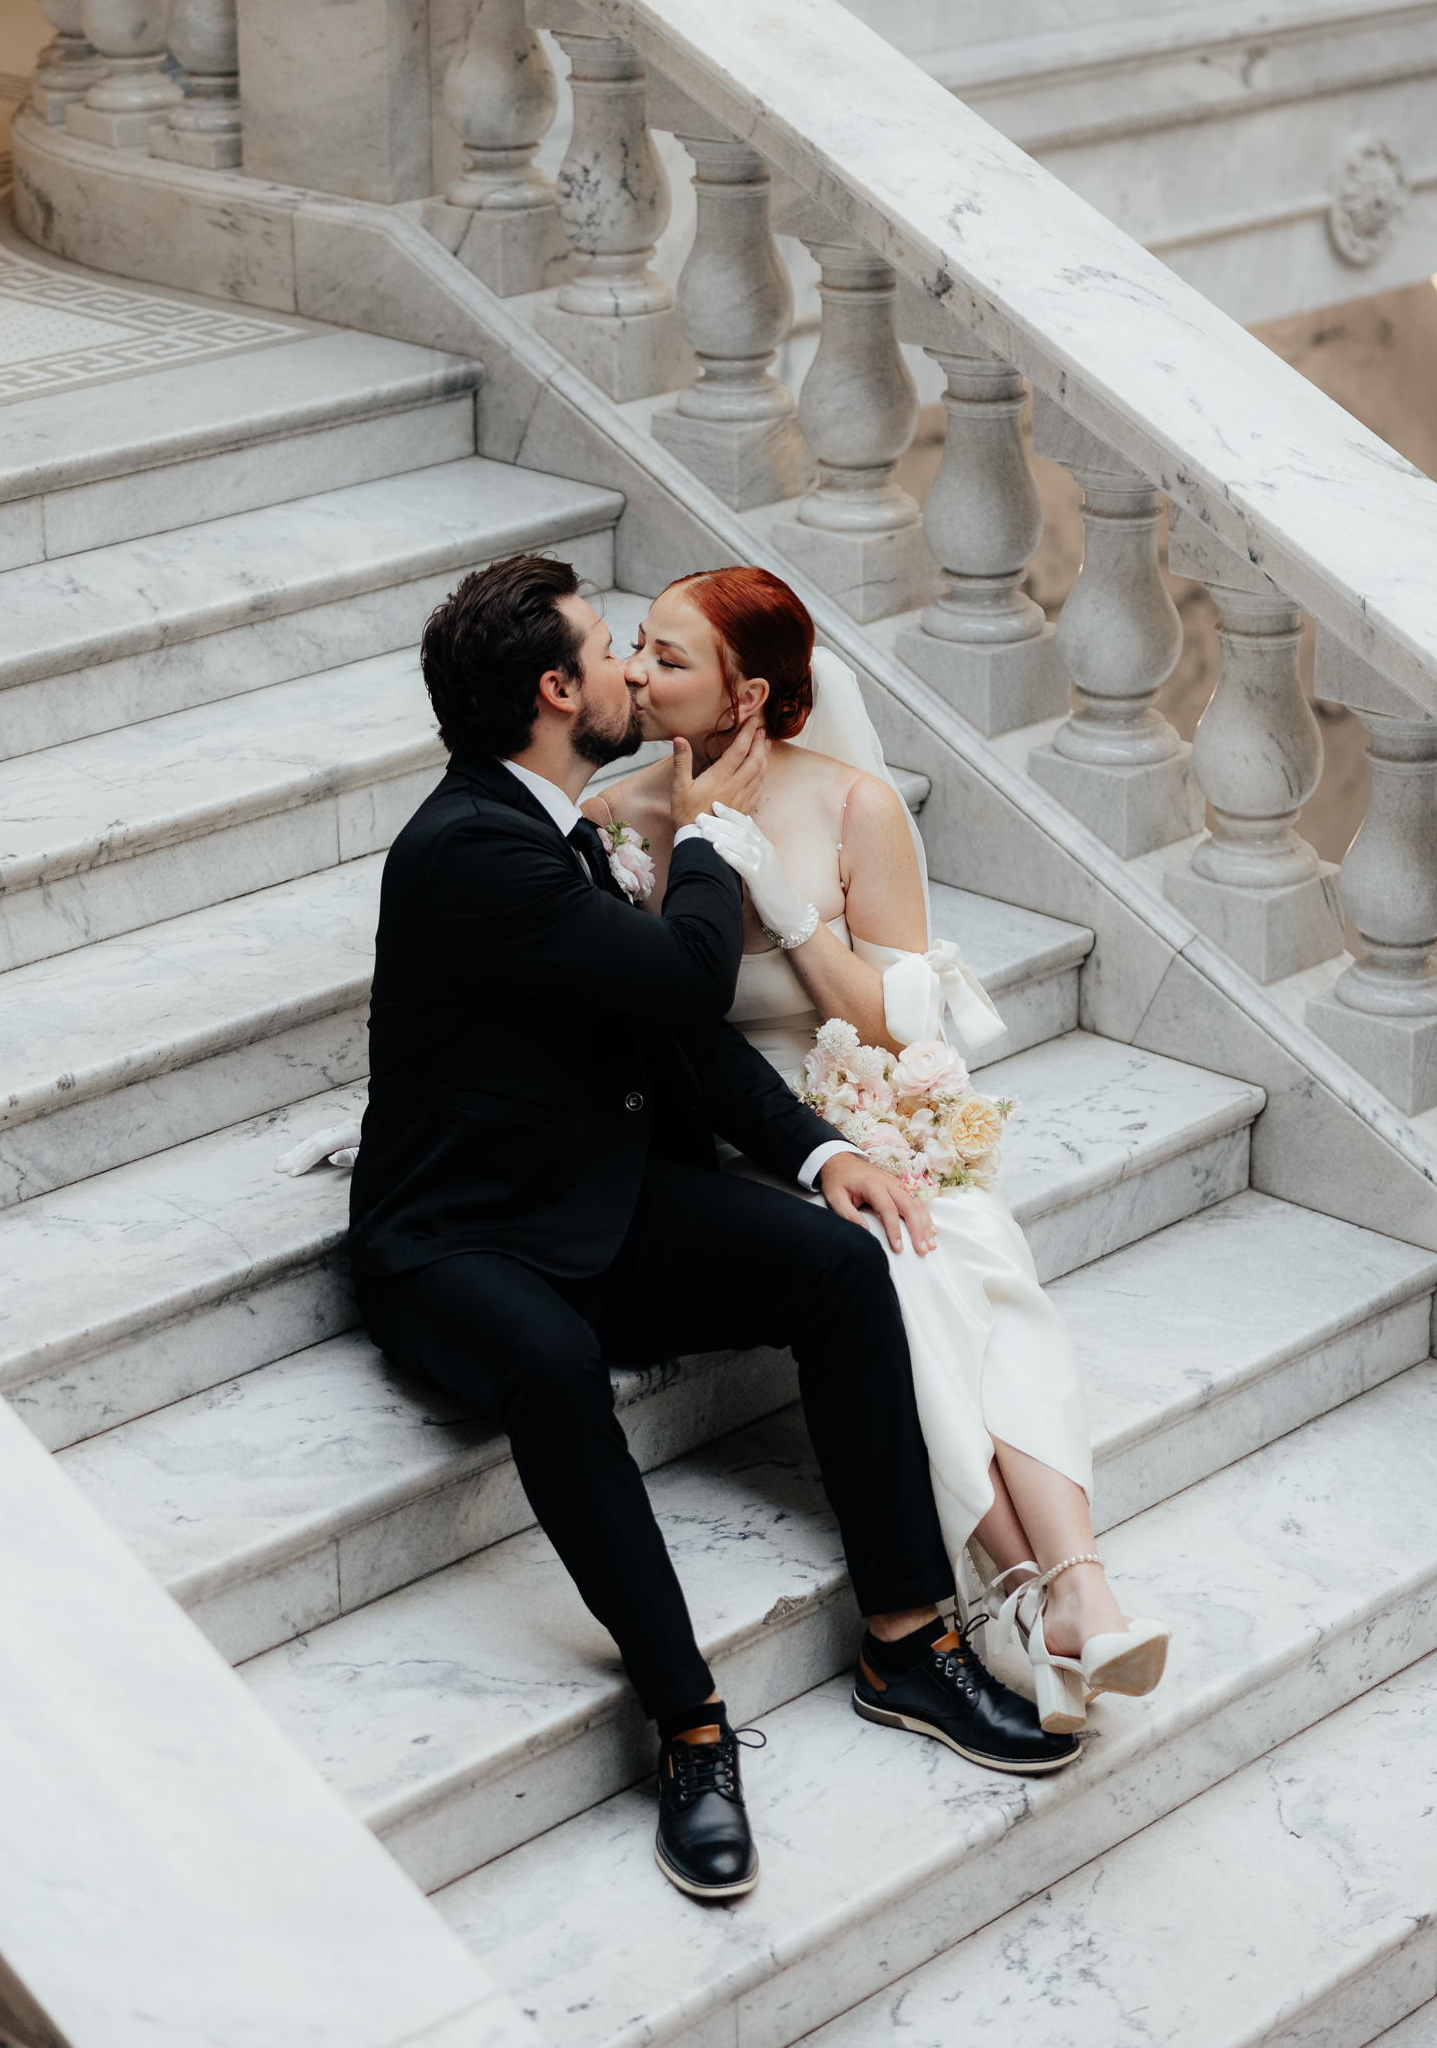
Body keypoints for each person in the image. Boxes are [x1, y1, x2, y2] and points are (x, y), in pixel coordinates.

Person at [341, 553, 1080, 1910]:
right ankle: (686, 1730)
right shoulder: (469, 849)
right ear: (557, 692)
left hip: (594, 1199)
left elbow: (663, 1034)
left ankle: (904, 1644)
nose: (634, 668)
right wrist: (714, 834)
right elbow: (687, 978)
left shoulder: (559, 822)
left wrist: (823, 1149)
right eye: (607, 651)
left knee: (837, 1268)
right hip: (455, 1244)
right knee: (554, 1371)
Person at [592, 565, 1169, 1738]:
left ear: (746, 694)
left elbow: (895, 1016)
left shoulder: (854, 806)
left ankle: (1068, 1588)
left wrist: (787, 907)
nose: (635, 674)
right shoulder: (616, 824)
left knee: (967, 1250)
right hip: (744, 1140)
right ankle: (1045, 1592)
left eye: (665, 656)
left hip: (862, 1103)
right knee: (894, 1270)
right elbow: (650, 1022)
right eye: (636, 648)